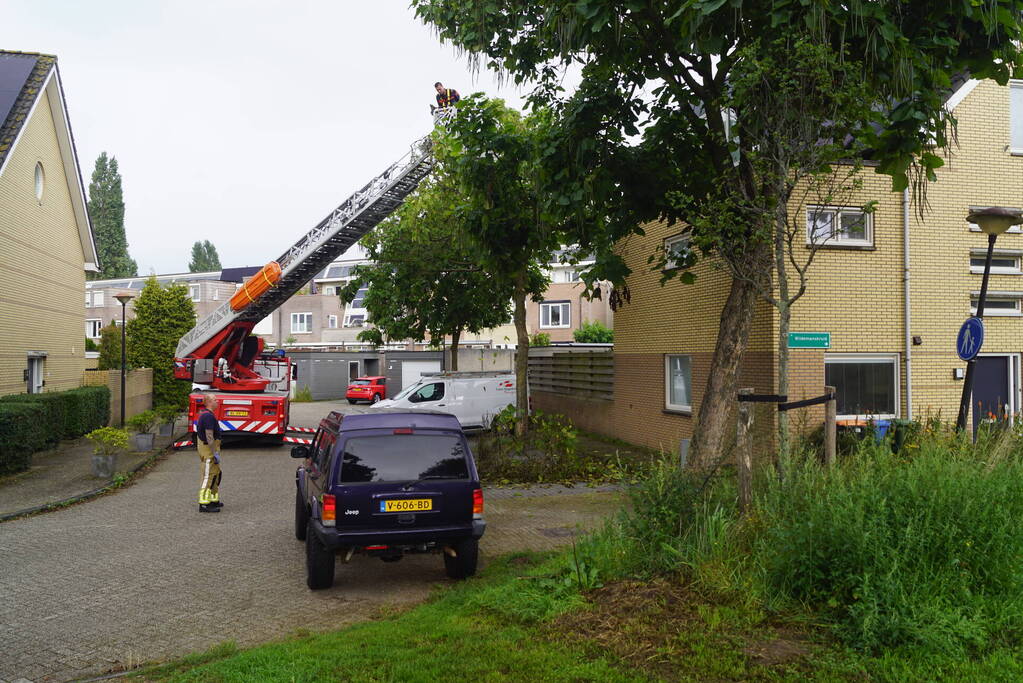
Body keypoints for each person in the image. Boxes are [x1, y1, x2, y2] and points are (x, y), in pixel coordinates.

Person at [195, 394, 223, 513]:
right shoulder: (207, 417)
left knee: (215, 474)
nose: (218, 401)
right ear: (209, 402)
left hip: (211, 450)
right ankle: (204, 504)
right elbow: (209, 436)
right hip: (208, 451)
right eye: (215, 400)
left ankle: (213, 500)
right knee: (207, 476)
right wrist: (214, 452)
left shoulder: (208, 415)